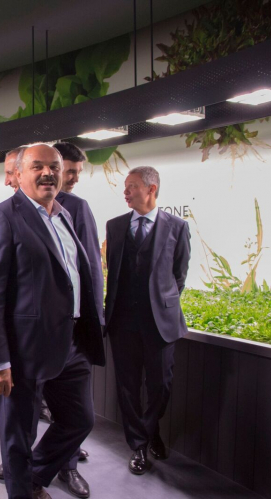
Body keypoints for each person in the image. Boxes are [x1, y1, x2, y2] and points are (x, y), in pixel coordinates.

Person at [0, 143, 105, 499]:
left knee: (80, 419)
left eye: (54, 167)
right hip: (22, 349)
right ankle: (22, 492)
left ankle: (32, 479)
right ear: (18, 175)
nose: (47, 173)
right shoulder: (0, 217)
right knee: (19, 435)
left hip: (71, 343)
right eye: (37, 166)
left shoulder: (64, 215)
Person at [105, 166, 191, 476]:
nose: (125, 192)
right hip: (122, 322)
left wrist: (161, 302)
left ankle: (150, 428)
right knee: (127, 387)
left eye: (132, 187)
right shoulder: (114, 227)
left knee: (161, 384)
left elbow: (179, 275)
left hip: (161, 322)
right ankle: (139, 445)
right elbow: (112, 272)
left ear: (151, 189)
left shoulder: (177, 227)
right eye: (125, 187)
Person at [46, 141, 103, 498]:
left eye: (76, 173)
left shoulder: (77, 209)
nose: (72, 179)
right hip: (32, 333)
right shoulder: (17, 210)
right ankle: (28, 462)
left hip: (70, 330)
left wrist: (92, 321)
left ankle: (65, 467)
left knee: (74, 409)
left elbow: (91, 268)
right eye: (69, 171)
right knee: (23, 410)